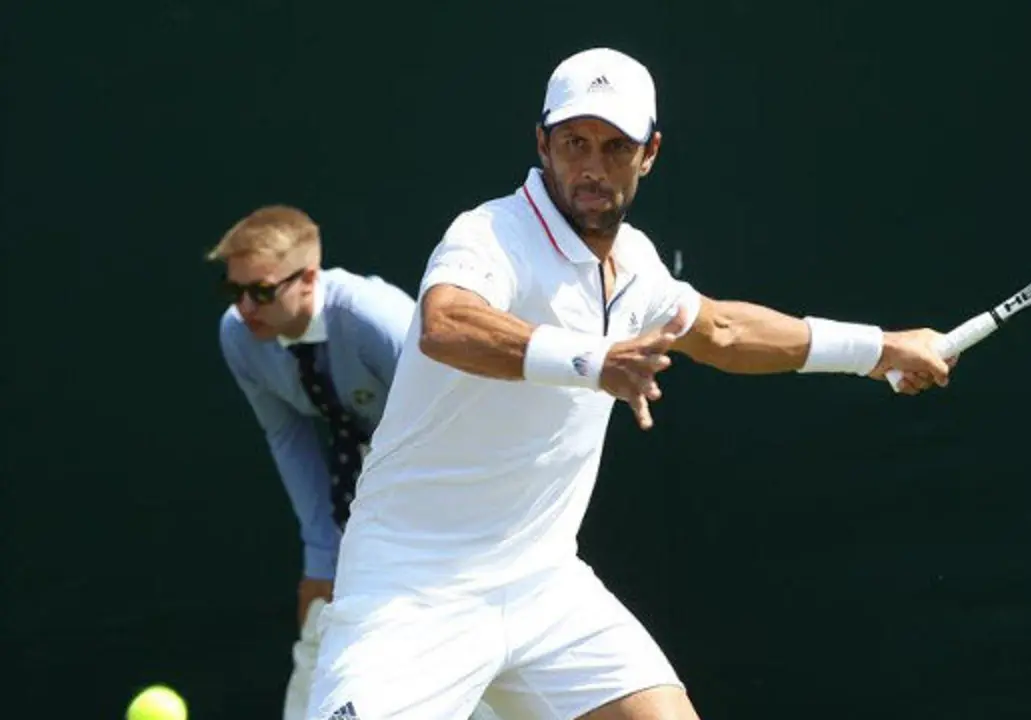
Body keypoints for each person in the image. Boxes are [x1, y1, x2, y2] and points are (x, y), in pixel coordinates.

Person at [306, 48, 954, 720]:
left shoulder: (638, 264)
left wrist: (878, 348)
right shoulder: (490, 234)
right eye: (574, 143)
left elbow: (724, 333)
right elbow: (445, 324)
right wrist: (593, 360)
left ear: (650, 154)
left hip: (542, 583)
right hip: (413, 587)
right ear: (542, 144)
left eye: (616, 147)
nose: (592, 166)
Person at [211, 206, 503, 720]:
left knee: (473, 673)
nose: (245, 307)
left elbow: (458, 424)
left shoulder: (375, 319)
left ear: (306, 278)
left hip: (452, 505)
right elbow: (288, 438)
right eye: (233, 291)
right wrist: (322, 556)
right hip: (368, 507)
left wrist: (447, 543)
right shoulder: (240, 336)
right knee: (321, 646)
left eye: (259, 292)